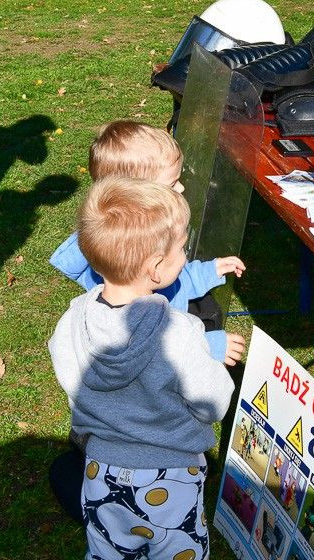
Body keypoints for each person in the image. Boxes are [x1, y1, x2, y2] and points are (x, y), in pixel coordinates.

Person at [48, 177, 234, 560]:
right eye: (182, 248)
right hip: (173, 477)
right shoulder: (179, 331)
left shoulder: (73, 319)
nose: (186, 255)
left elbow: (71, 380)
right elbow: (212, 404)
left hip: (100, 471)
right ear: (154, 269)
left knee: (107, 551)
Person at [50, 120, 247, 367]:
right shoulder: (127, 285)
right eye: (172, 183)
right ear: (140, 196)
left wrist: (209, 271)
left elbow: (174, 280)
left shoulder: (139, 248)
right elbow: (155, 347)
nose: (182, 187)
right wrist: (208, 346)